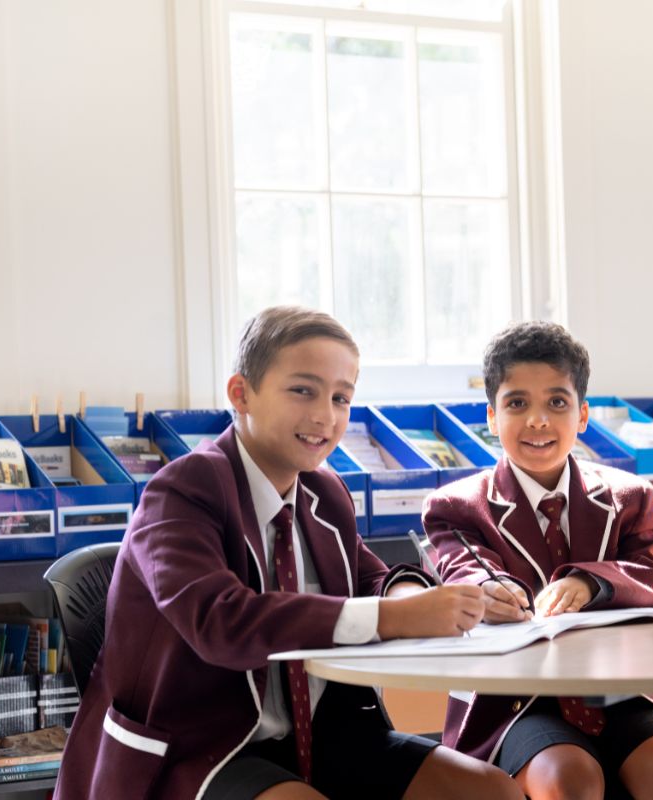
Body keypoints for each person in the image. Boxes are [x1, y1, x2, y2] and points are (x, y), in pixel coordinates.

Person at [55, 306, 521, 800]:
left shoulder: (324, 491)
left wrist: (429, 598)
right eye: (303, 390)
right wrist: (395, 616)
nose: (324, 415)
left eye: (341, 397)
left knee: (494, 791)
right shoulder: (183, 489)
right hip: (199, 750)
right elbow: (220, 620)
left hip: (323, 739)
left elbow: (368, 580)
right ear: (241, 394)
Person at [424, 321, 653, 800]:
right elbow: (464, 568)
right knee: (568, 779)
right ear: (492, 417)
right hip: (516, 702)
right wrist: (489, 592)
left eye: (556, 403)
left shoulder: (630, 496)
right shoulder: (454, 506)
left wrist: (590, 583)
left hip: (622, 689)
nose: (538, 420)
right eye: (517, 403)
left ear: (582, 415)